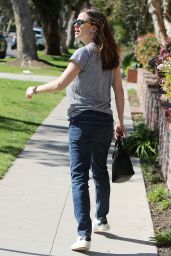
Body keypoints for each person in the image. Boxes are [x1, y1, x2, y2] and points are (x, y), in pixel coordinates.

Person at [26, 7, 125, 252]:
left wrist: (35, 89)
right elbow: (119, 90)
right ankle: (101, 219)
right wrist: (121, 121)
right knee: (99, 171)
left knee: (80, 177)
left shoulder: (83, 53)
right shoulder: (111, 54)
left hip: (82, 122)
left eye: (80, 21)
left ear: (94, 27)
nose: (76, 25)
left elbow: (60, 84)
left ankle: (84, 235)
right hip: (105, 122)